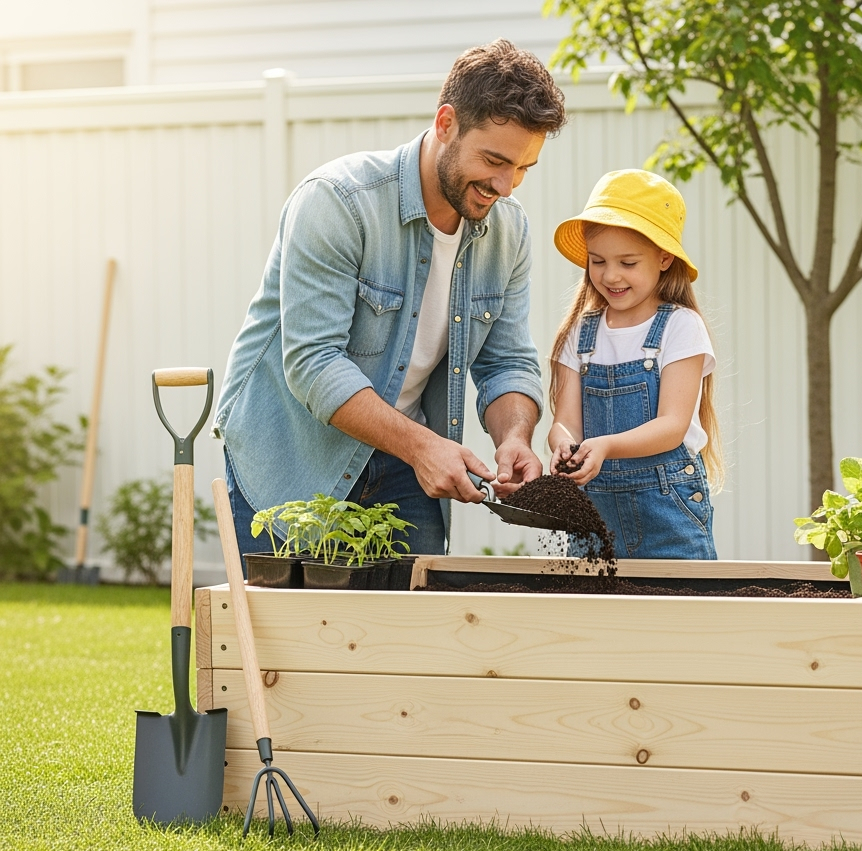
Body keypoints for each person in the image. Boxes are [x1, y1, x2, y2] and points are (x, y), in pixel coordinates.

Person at [214, 40, 567, 557]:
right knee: (289, 637)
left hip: (404, 464)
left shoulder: (508, 232)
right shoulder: (338, 203)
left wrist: (514, 437)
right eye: (494, 160)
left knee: (406, 634)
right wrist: (424, 447)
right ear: (446, 123)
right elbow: (313, 362)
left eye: (522, 168)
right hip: (293, 458)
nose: (506, 186)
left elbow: (507, 362)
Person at [547, 169, 723, 560]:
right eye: (598, 261)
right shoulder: (579, 333)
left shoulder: (680, 327)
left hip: (668, 510)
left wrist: (605, 446)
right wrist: (562, 444)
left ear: (663, 258)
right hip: (595, 517)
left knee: (679, 617)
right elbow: (565, 421)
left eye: (627, 262)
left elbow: (671, 427)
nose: (610, 275)